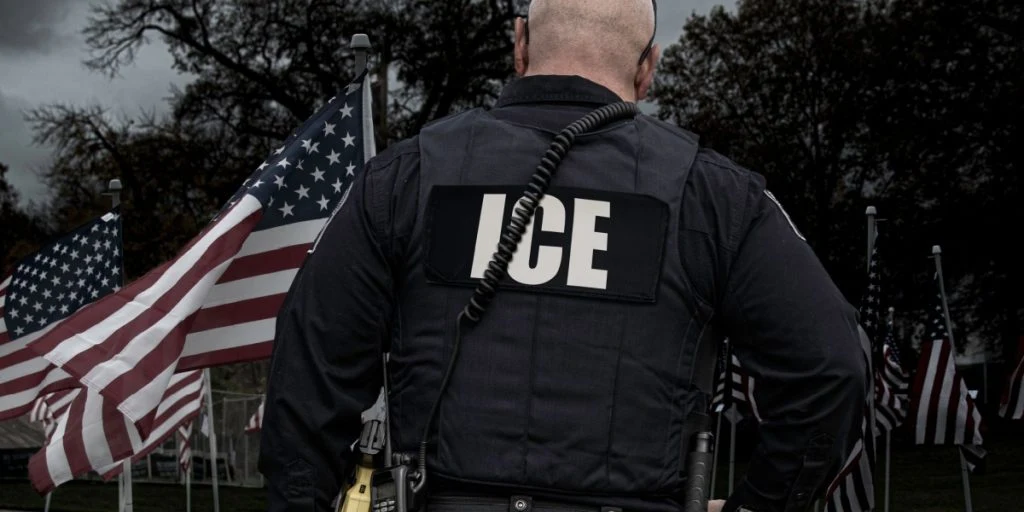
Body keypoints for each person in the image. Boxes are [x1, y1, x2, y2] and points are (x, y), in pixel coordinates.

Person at [258, 1, 868, 511]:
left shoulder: (405, 177)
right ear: (647, 68)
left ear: (519, 42)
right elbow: (832, 368)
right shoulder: (715, 195)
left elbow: (306, 371)